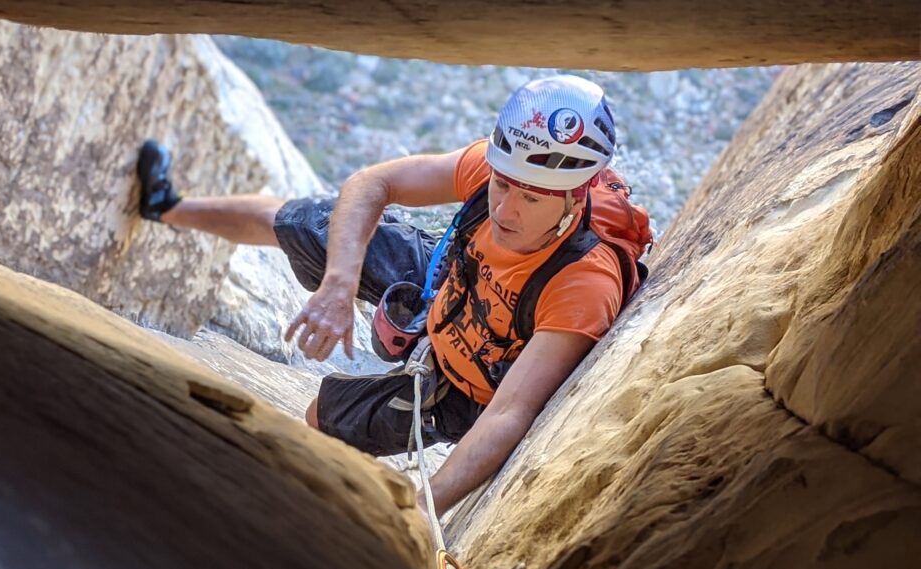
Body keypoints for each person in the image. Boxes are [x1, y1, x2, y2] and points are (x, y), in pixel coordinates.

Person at [137, 75, 635, 519]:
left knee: (322, 418)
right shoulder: (496, 168)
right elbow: (375, 182)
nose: (505, 209)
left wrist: (424, 508)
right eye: (502, 186)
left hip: (469, 384)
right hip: (452, 283)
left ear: (575, 194)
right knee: (307, 222)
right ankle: (168, 207)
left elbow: (509, 412)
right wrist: (339, 281)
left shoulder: (583, 282)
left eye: (530, 198)